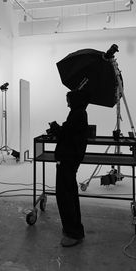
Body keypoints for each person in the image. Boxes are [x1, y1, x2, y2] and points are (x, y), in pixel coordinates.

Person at [51, 89, 89, 247]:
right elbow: (69, 133)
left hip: (67, 160)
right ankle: (73, 229)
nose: (67, 103)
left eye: (68, 99)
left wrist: (55, 127)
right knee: (69, 194)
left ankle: (73, 233)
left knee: (65, 196)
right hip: (70, 160)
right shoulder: (78, 113)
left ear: (74, 100)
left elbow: (65, 134)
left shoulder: (77, 114)